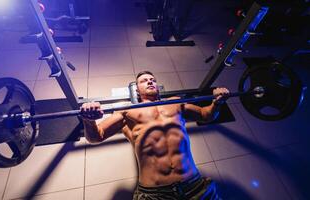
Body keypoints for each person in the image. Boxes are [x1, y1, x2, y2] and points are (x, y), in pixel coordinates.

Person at [80, 71, 229, 200]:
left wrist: (217, 102)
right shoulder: (127, 111)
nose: (150, 81)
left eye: (152, 80)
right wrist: (88, 119)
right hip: (154, 194)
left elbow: (205, 115)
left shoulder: (176, 103)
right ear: (137, 90)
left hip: (194, 185)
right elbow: (96, 136)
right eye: (143, 81)